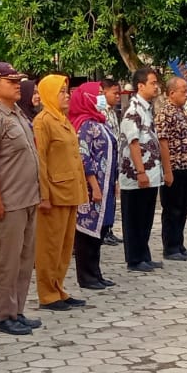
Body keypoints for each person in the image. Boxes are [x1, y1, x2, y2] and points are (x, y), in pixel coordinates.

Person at [0, 63, 42, 336]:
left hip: (27, 199)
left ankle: (17, 310)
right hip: (8, 201)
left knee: (25, 260)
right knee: (8, 262)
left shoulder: (18, 114)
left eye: (18, 81)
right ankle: (4, 315)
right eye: (11, 81)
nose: (18, 85)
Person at [32, 74, 90, 312]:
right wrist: (44, 196)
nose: (67, 96)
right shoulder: (42, 121)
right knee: (49, 247)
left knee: (65, 247)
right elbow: (41, 161)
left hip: (69, 191)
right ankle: (47, 294)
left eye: (67, 91)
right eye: (61, 92)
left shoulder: (63, 120)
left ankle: (59, 288)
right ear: (48, 94)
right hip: (54, 194)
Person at [71, 82, 118, 291]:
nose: (100, 97)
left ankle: (96, 273)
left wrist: (114, 180)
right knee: (87, 231)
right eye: (97, 94)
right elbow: (84, 156)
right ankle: (86, 275)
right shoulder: (84, 125)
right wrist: (94, 186)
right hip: (92, 187)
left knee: (100, 229)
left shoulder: (99, 121)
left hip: (105, 184)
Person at [119, 67, 165, 272]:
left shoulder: (147, 108)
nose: (156, 86)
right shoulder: (133, 110)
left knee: (146, 217)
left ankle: (144, 255)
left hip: (151, 173)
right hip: (136, 175)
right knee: (134, 218)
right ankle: (134, 259)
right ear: (140, 86)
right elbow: (133, 142)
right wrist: (140, 171)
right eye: (152, 83)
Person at [156, 76, 187, 262]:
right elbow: (163, 143)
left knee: (182, 207)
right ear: (172, 93)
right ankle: (170, 247)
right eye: (183, 91)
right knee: (172, 209)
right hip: (173, 167)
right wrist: (167, 171)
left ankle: (179, 244)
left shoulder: (182, 112)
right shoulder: (165, 113)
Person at [99, 78, 124, 247]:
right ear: (104, 92)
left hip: (115, 161)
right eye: (114, 93)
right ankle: (103, 229)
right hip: (104, 162)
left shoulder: (112, 112)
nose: (118, 96)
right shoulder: (100, 112)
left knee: (112, 199)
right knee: (105, 198)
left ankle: (109, 229)